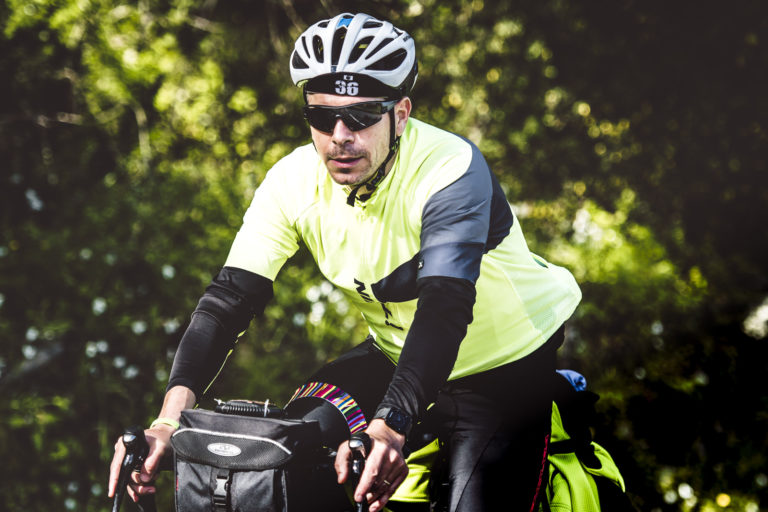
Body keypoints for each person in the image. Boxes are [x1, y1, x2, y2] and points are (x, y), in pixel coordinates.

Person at [108, 12, 582, 512]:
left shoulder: (449, 169)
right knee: (280, 459)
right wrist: (169, 422)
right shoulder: (293, 181)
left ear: (401, 114)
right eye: (321, 116)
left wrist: (392, 424)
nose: (339, 135)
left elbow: (444, 305)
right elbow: (227, 301)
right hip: (395, 356)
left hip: (504, 366)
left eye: (361, 116)